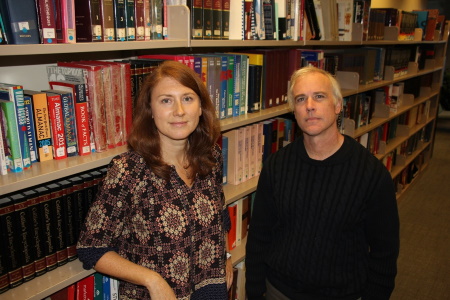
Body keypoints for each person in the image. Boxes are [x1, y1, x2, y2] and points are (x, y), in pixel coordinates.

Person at [77, 60, 233, 300]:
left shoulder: (210, 157)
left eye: (188, 99)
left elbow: (220, 217)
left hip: (210, 293)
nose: (179, 111)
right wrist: (152, 280)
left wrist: (227, 258)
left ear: (201, 108)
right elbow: (92, 249)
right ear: (150, 110)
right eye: (166, 100)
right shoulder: (128, 170)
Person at [245, 66, 400, 300]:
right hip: (279, 291)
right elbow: (259, 237)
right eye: (300, 99)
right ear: (294, 111)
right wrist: (255, 293)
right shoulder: (276, 165)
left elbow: (384, 253)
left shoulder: (371, 174)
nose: (309, 105)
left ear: (337, 106)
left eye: (319, 96)